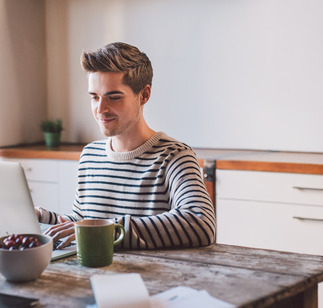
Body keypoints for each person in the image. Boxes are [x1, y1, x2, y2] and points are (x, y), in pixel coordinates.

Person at [36, 42, 216, 249]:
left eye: (114, 97)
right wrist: (40, 216)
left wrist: (109, 230)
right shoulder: (90, 155)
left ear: (144, 95)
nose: (100, 109)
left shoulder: (175, 157)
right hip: (92, 275)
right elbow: (82, 222)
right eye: (94, 97)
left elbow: (200, 223)